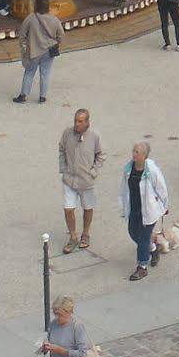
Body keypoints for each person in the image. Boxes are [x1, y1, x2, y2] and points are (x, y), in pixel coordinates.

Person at [118, 141, 168, 281]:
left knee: (143, 239)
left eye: (137, 152)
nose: (134, 154)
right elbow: (124, 188)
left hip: (149, 210)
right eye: (133, 150)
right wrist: (123, 205)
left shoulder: (151, 170)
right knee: (133, 232)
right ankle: (153, 248)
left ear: (145, 155)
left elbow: (161, 187)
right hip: (134, 207)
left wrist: (165, 205)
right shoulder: (128, 168)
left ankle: (142, 267)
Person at [59, 108, 105, 253]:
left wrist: (93, 172)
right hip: (69, 179)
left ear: (87, 122)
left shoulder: (94, 136)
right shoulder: (67, 133)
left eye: (80, 121)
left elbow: (101, 155)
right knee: (68, 209)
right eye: (75, 121)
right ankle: (73, 237)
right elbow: (61, 149)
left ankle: (85, 234)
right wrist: (63, 168)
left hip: (86, 181)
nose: (76, 124)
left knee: (87, 208)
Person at [14, 0, 61, 104]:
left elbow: (22, 34)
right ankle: (42, 97)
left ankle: (23, 95)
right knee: (45, 73)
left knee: (29, 73)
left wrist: (23, 47)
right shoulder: (54, 19)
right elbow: (61, 35)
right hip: (49, 51)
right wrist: (57, 42)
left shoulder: (30, 18)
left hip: (34, 51)